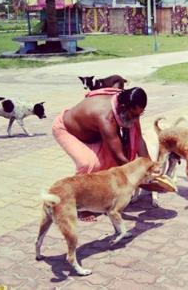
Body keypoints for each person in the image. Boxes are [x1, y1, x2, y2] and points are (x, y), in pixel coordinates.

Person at [52, 87, 150, 221]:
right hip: (68, 130)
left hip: (94, 134)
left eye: (139, 115)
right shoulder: (106, 116)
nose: (135, 119)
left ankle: (103, 198)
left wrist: (150, 166)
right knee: (89, 164)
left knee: (110, 163)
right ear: (122, 108)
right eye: (133, 115)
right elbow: (120, 158)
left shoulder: (130, 106)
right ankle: (80, 206)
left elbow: (138, 139)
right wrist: (141, 179)